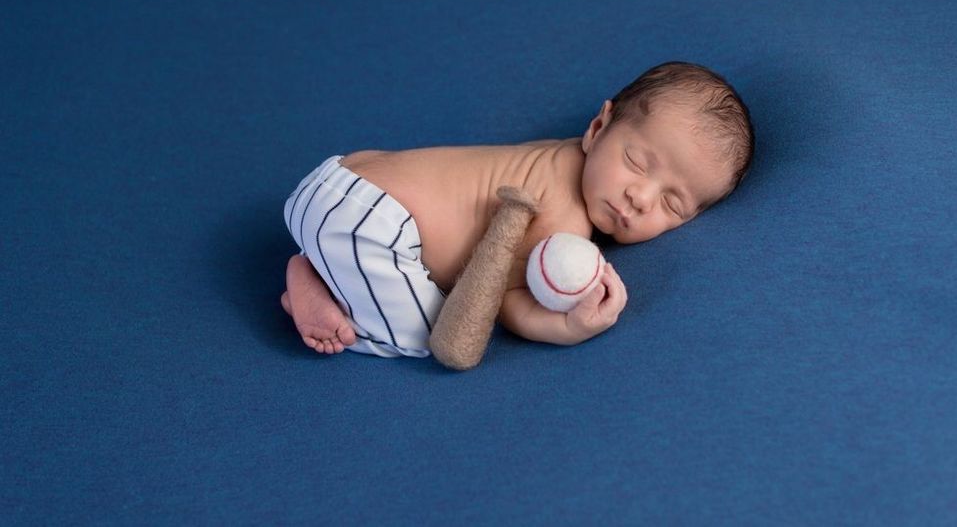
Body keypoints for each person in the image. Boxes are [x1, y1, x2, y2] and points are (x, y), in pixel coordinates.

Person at [280, 61, 754, 358]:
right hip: (369, 222)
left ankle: (329, 264)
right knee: (427, 333)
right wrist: (567, 327)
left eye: (671, 204)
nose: (640, 197)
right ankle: (318, 293)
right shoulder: (565, 213)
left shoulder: (555, 154)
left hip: (338, 181)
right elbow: (501, 304)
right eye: (636, 161)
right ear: (597, 128)